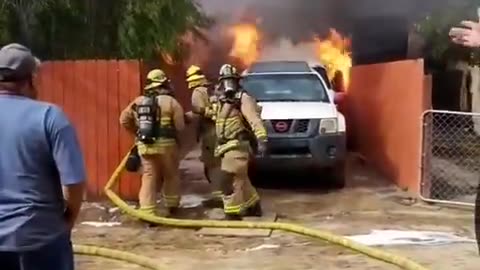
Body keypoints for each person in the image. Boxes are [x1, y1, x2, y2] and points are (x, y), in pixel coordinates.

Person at [0, 43, 86, 270]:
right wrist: (68, 219)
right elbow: (74, 182)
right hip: (41, 238)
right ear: (31, 78)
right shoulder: (50, 117)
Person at [120, 69, 185, 217]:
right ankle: (172, 206)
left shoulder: (139, 101)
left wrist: (137, 132)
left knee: (149, 176)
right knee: (171, 174)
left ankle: (147, 212)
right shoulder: (171, 102)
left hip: (145, 145)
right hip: (167, 146)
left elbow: (123, 119)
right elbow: (180, 126)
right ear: (163, 84)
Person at [209, 64, 268, 220]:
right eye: (225, 81)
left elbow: (254, 120)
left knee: (227, 180)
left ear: (237, 81)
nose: (228, 85)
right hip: (225, 146)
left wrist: (262, 139)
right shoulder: (221, 102)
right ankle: (253, 205)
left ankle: (232, 213)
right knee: (240, 178)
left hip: (238, 144)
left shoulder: (243, 98)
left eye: (231, 81)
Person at [186, 65, 223, 208]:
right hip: (218, 130)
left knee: (212, 165)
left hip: (210, 132)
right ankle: (222, 194)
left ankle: (218, 197)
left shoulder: (197, 92)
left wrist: (190, 115)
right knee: (217, 163)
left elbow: (201, 112)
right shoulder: (210, 90)